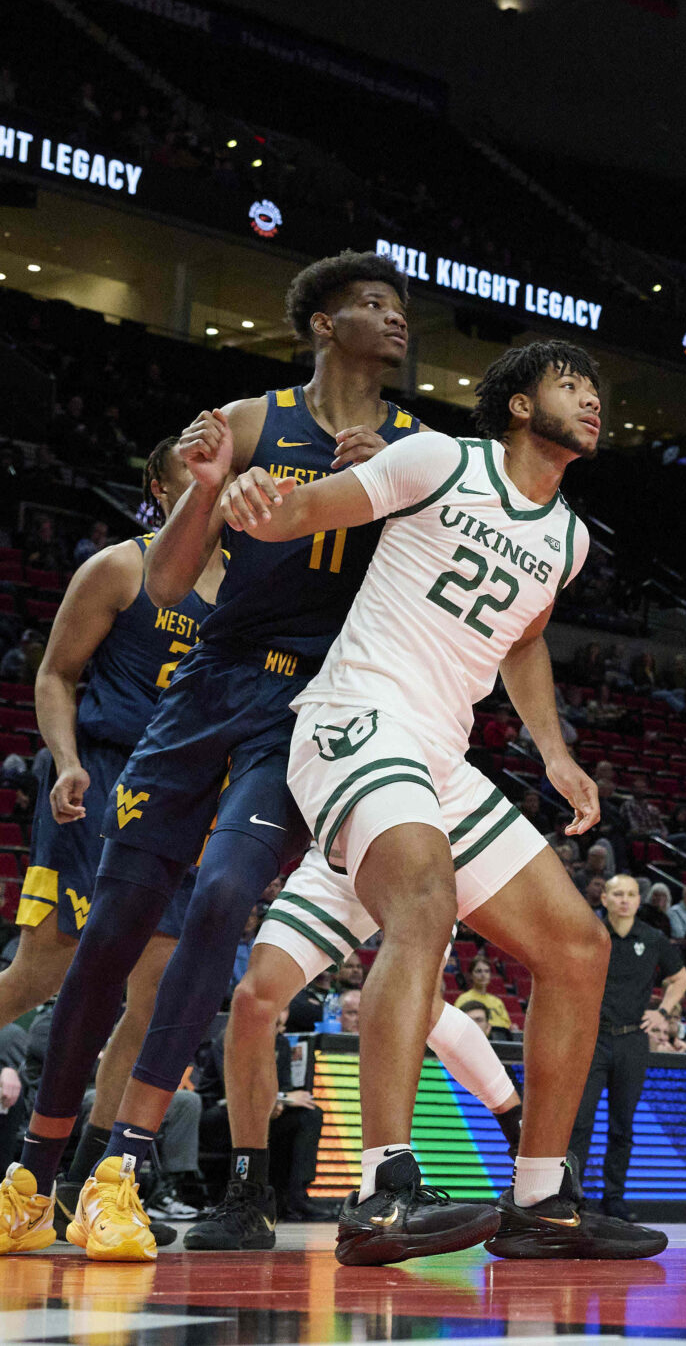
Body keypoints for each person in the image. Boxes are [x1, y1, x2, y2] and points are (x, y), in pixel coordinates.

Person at [4, 252, 427, 1264]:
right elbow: (166, 580)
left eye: (400, 305)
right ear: (321, 324)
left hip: (308, 704)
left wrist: (386, 499)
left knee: (227, 897)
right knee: (107, 937)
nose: (395, 318)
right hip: (207, 684)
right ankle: (35, 1171)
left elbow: (425, 593)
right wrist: (201, 491)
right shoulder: (246, 421)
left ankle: (123, 1166)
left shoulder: (415, 451)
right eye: (371, 302)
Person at [214, 338, 657, 1264]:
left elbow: (523, 642)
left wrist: (555, 752)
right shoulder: (440, 458)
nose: (592, 398)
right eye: (571, 383)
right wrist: (247, 500)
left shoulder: (569, 539)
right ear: (522, 406)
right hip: (356, 714)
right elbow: (304, 511)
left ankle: (540, 1198)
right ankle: (382, 1190)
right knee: (422, 900)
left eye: (596, 386)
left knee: (579, 947)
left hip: (440, 753)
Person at [0, 442, 219, 1250]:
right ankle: (51, 1172)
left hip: (184, 797)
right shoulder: (119, 569)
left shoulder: (248, 590)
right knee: (42, 975)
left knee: (153, 996)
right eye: (196, 473)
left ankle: (96, 1178)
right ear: (159, 489)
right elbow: (56, 673)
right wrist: (60, 762)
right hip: (98, 781)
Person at [186, 844, 532, 1249]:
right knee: (252, 999)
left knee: (420, 1005)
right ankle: (250, 1197)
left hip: (414, 848)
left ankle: (518, 1140)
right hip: (336, 853)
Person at [574, 875, 686, 1221]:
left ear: (639, 901)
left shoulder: (652, 939)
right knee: (580, 1121)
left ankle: (615, 1196)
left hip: (632, 1040)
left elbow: (680, 978)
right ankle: (572, 1195)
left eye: (631, 895)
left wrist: (663, 1012)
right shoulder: (589, 932)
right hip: (593, 1037)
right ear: (604, 898)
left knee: (622, 1123)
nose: (624, 900)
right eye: (617, 894)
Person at [455, 957, 515, 1032]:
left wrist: (513, 1027)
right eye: (478, 971)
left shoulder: (497, 1001)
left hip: (501, 1038)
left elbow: (508, 1025)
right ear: (471, 975)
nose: (483, 975)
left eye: (487, 971)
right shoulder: (463, 999)